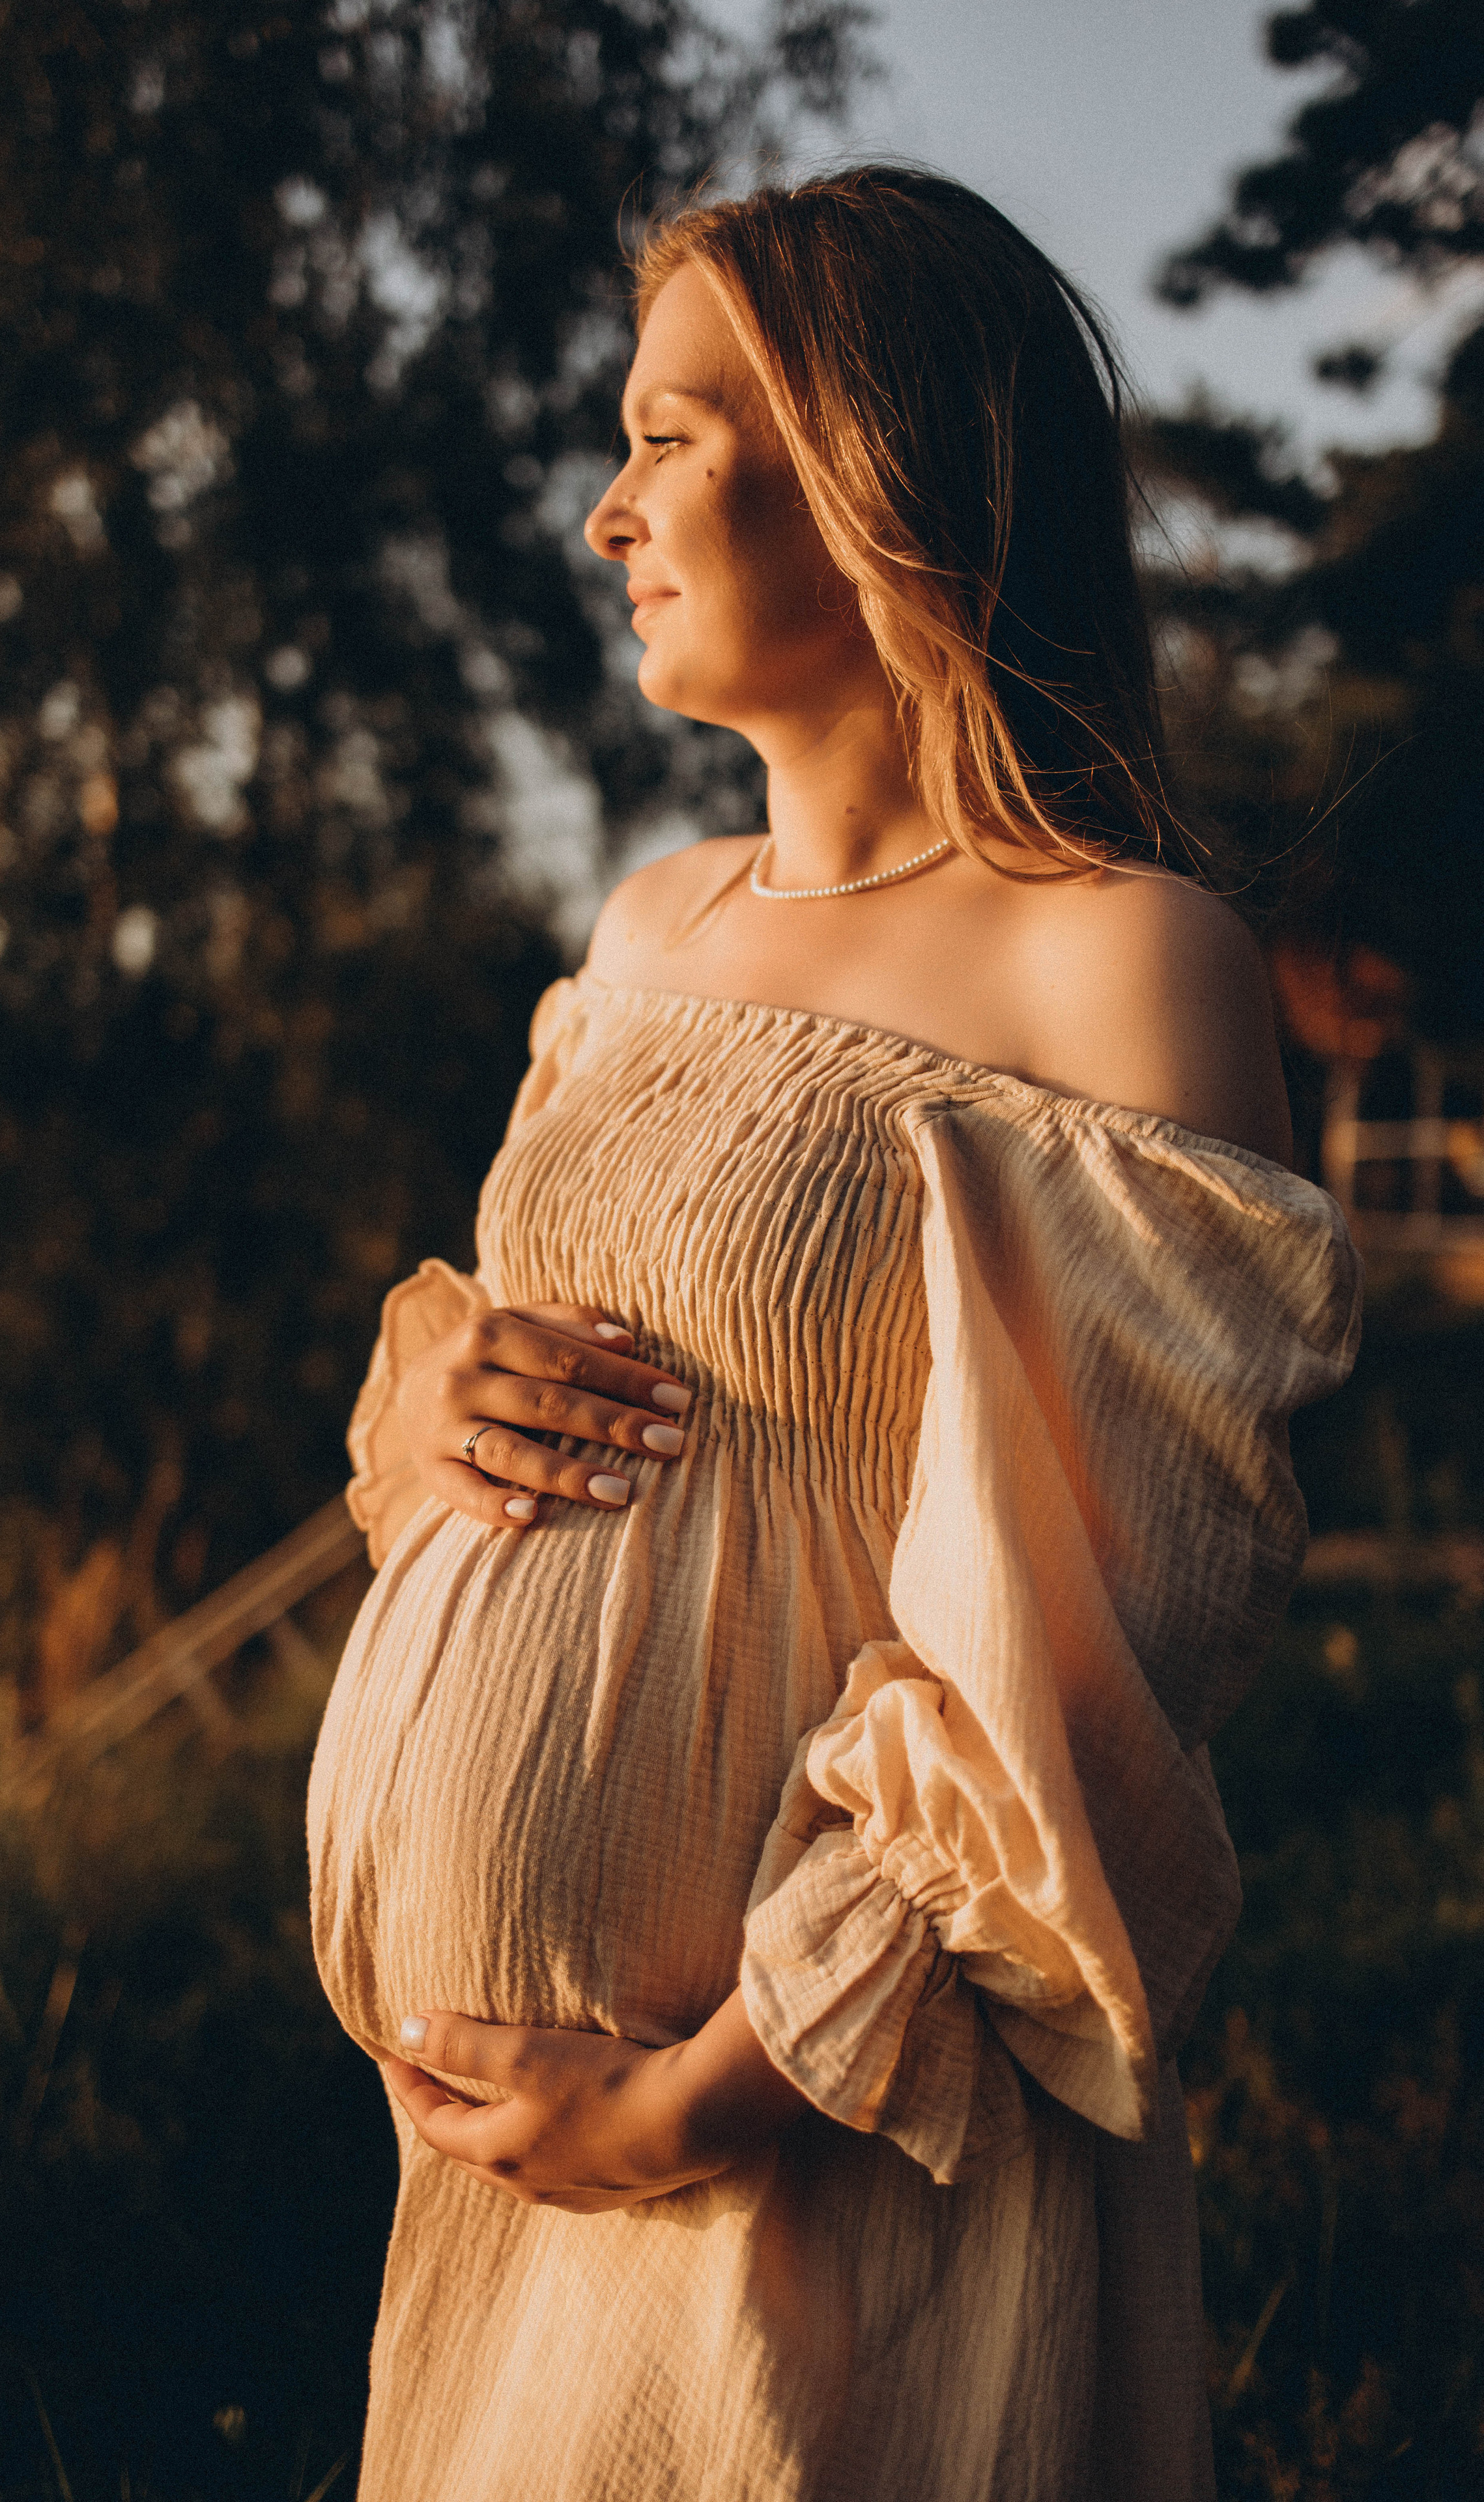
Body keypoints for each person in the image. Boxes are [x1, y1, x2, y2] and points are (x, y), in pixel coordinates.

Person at [307, 167, 1362, 2502]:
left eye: (668, 441)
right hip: (513, 2173)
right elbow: (504, 1443)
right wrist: (429, 1407)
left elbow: (1103, 1689)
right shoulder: (645, 931)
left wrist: (708, 2092)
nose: (607, 515)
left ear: (883, 470)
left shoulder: (1118, 959)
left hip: (844, 2149)